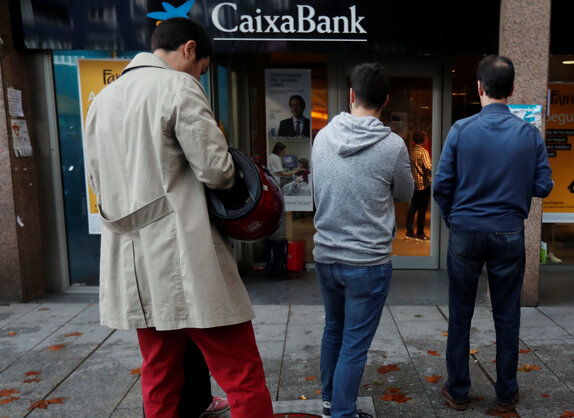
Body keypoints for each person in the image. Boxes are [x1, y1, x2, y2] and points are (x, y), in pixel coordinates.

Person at [83, 18, 273, 417]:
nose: (198, 75)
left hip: (134, 266)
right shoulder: (178, 86)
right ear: (189, 49)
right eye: (202, 68)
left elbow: (97, 180)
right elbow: (216, 171)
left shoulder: (102, 99)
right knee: (241, 372)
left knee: (160, 374)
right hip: (185, 258)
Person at [433, 55, 553, 412]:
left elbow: (442, 186)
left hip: (466, 231)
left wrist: (453, 220)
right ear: (512, 90)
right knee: (507, 315)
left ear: (479, 88)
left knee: (460, 314)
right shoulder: (529, 134)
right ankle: (506, 392)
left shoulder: (461, 130)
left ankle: (457, 391)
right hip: (508, 233)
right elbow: (544, 186)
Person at [311, 63, 413, 418]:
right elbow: (405, 193)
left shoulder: (322, 137)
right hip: (367, 262)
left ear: (351, 95)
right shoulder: (393, 145)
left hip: (326, 256)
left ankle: (329, 404)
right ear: (385, 100)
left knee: (333, 330)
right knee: (354, 343)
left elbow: (317, 191)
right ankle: (342, 413)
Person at [406, 131, 432, 241]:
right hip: (423, 185)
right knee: (422, 210)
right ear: (423, 140)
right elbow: (428, 167)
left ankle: (409, 232)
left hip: (413, 184)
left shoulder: (411, 152)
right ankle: (420, 234)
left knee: (412, 209)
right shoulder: (423, 152)